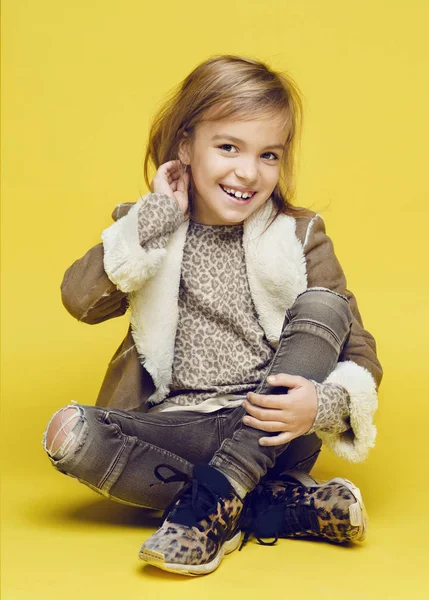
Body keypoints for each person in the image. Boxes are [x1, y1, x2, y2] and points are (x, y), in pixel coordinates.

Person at [42, 54, 383, 576]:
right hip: (179, 428)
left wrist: (319, 405)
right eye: (228, 147)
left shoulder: (300, 234)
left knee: (324, 305)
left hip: (269, 431)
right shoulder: (150, 226)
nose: (248, 172)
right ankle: (267, 506)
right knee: (69, 433)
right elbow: (79, 299)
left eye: (268, 154)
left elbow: (358, 352)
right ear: (186, 146)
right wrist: (153, 219)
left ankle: (218, 496)